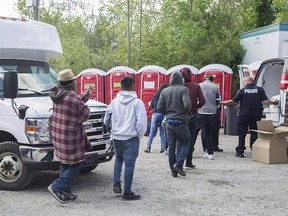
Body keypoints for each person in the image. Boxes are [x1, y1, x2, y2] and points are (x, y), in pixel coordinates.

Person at [48, 69, 93, 204]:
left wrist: (87, 94)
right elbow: (85, 114)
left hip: (58, 135)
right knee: (76, 164)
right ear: (71, 83)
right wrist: (83, 103)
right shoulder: (71, 97)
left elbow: (75, 102)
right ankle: (57, 186)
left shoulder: (57, 93)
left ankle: (65, 193)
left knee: (64, 164)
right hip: (70, 137)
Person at [104, 76, 147, 201]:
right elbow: (141, 123)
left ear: (121, 86)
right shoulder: (137, 103)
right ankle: (127, 192)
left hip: (117, 137)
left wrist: (112, 131)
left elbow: (106, 119)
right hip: (130, 138)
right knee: (129, 165)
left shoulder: (114, 102)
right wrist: (139, 135)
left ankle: (117, 183)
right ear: (133, 86)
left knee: (118, 159)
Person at [220, 76, 279, 158]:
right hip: (256, 113)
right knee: (254, 131)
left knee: (242, 132)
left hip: (244, 113)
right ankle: (254, 150)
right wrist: (275, 102)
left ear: (247, 81)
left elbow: (233, 101)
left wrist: (221, 103)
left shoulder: (242, 91)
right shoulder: (260, 89)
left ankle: (240, 151)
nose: (243, 83)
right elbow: (266, 102)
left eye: (244, 82)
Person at [157, 71, 191, 178]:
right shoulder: (183, 89)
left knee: (171, 146)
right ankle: (179, 164)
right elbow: (187, 105)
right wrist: (185, 111)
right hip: (181, 121)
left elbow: (159, 107)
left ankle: (173, 170)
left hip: (169, 122)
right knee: (186, 142)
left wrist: (167, 113)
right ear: (181, 80)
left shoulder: (164, 91)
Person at [180, 67, 205, 169]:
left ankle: (178, 162)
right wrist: (195, 107)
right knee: (190, 139)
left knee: (179, 139)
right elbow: (202, 101)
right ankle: (188, 162)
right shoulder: (196, 86)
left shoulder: (178, 87)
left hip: (180, 115)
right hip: (192, 114)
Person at [192, 75, 220, 160]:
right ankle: (210, 153)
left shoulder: (199, 85)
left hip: (201, 112)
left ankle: (190, 151)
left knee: (194, 132)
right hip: (212, 113)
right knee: (209, 133)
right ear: (213, 80)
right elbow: (218, 100)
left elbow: (196, 98)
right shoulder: (215, 87)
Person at [144, 84, 169, 153]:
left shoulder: (155, 95)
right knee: (162, 132)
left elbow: (151, 105)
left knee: (151, 133)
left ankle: (148, 148)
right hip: (163, 115)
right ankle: (162, 148)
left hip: (155, 114)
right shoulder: (165, 97)